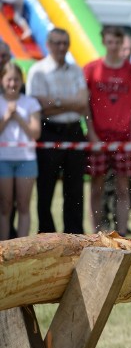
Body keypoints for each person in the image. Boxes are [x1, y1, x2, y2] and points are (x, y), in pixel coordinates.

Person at [26, 27, 88, 234]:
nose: (62, 47)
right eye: (57, 43)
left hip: (74, 131)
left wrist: (56, 102)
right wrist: (70, 104)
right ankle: (46, 235)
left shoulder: (76, 70)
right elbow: (39, 105)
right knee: (46, 187)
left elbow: (82, 102)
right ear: (48, 44)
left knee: (75, 189)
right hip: (49, 131)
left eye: (65, 43)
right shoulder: (38, 70)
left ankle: (75, 234)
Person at [84, 26, 131, 237]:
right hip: (99, 136)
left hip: (123, 138)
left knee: (123, 187)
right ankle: (96, 232)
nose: (113, 46)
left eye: (117, 42)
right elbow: (86, 105)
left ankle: (120, 233)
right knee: (96, 186)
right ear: (104, 42)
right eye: (110, 41)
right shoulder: (91, 69)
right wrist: (91, 133)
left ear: (122, 44)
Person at [0, 62, 41, 239]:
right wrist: (7, 117)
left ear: (21, 81)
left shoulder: (30, 103)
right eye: (9, 79)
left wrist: (18, 117)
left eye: (16, 80)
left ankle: (23, 246)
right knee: (5, 206)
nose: (12, 84)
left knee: (24, 206)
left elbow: (36, 133)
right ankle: (3, 247)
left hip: (27, 160)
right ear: (2, 80)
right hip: (3, 160)